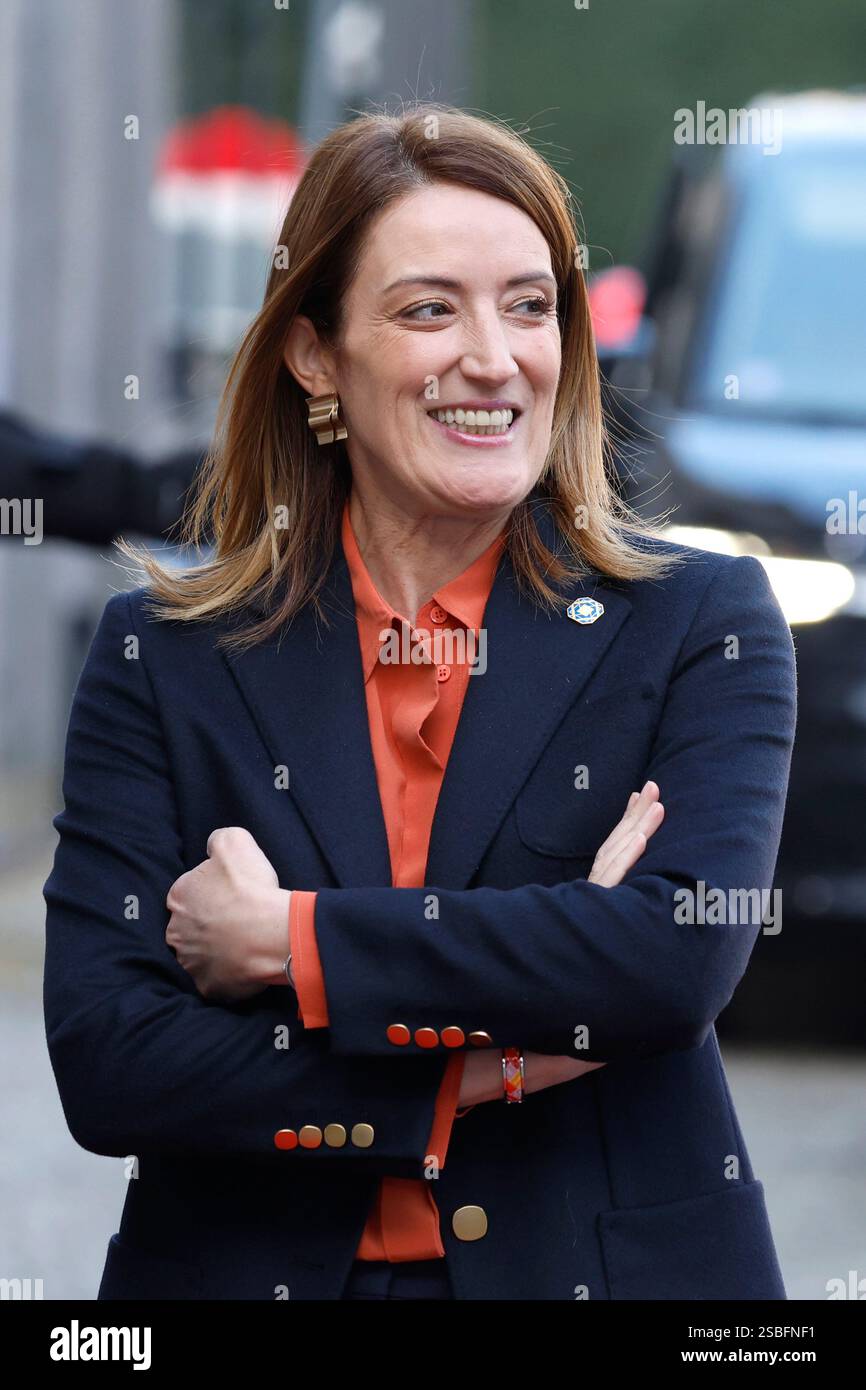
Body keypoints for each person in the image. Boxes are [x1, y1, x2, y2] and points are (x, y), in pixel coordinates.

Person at [43, 102, 796, 1301]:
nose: (495, 357)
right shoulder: (167, 652)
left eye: (530, 304)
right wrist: (473, 1072)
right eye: (428, 308)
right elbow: (112, 1064)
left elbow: (668, 960)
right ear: (314, 354)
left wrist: (292, 943)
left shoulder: (699, 620)